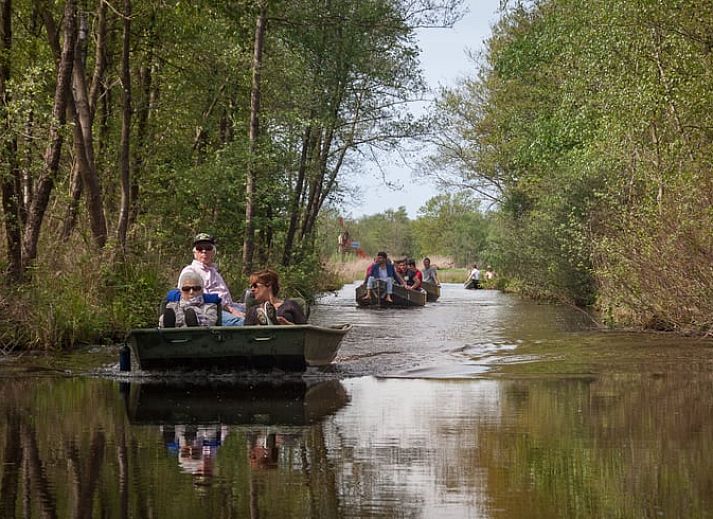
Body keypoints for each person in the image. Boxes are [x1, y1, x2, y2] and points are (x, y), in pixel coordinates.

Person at [179, 233, 245, 326]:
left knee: (255, 312)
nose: (204, 251)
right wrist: (231, 310)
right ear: (195, 253)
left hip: (231, 306)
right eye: (199, 248)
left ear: (213, 252)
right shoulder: (191, 272)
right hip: (209, 309)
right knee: (242, 322)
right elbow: (192, 297)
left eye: (208, 248)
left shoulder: (214, 271)